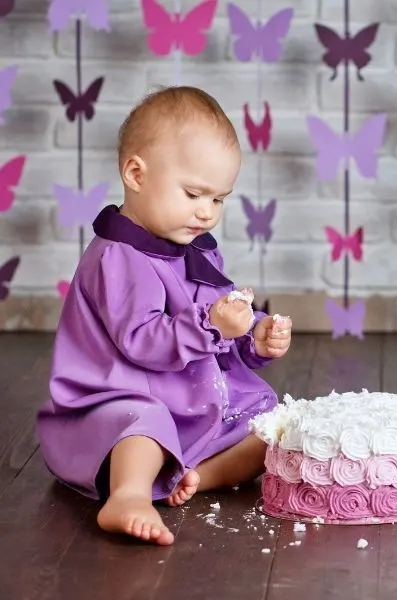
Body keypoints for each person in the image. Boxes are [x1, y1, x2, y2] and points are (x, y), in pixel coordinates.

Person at [36, 86, 292, 546]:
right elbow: (143, 340)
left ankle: (197, 476)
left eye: (218, 199)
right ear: (136, 173)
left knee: (268, 425)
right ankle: (128, 495)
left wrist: (253, 334)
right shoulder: (118, 258)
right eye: (195, 193)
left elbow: (219, 313)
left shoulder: (191, 249)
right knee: (144, 423)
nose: (206, 212)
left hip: (188, 394)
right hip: (119, 396)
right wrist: (214, 324)